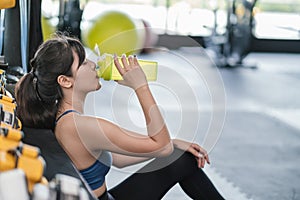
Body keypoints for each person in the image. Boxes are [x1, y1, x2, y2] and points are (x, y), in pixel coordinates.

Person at [15, 33, 224, 200]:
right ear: (65, 81)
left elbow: (118, 159)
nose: (93, 65)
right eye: (84, 63)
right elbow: (161, 147)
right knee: (177, 156)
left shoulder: (69, 120)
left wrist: (173, 144)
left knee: (181, 158)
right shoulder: (80, 125)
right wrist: (140, 86)